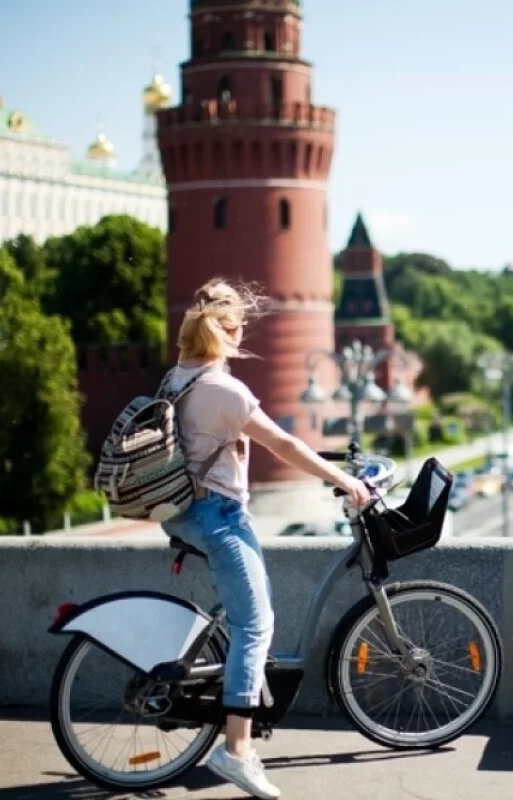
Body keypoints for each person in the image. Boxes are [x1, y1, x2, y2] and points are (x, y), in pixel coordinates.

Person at [161, 278, 370, 800]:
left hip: (189, 511)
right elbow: (283, 442)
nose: (243, 335)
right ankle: (235, 751)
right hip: (219, 516)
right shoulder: (224, 391)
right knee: (256, 624)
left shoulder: (179, 378)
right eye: (240, 328)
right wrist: (342, 479)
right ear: (228, 333)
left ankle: (240, 702)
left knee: (252, 614)